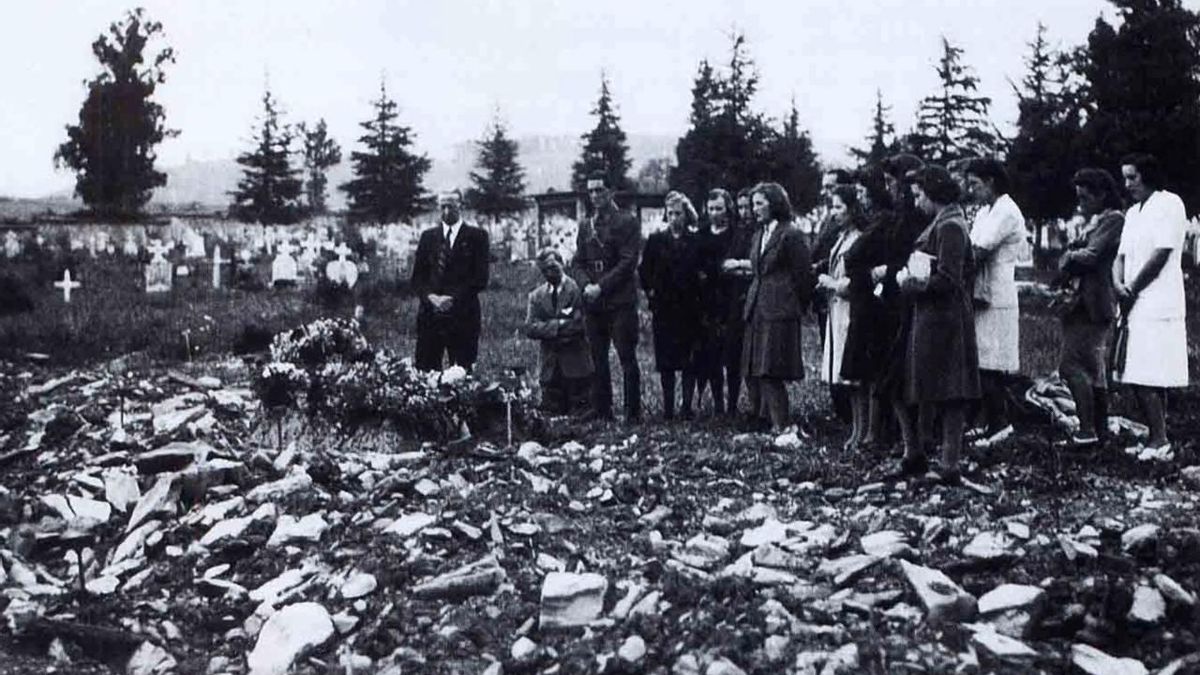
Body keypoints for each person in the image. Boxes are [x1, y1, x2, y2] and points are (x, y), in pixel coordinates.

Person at [896, 166, 980, 485]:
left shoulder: (951, 227)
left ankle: (949, 463)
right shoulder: (944, 222)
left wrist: (911, 283)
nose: (917, 203)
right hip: (933, 316)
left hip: (944, 318)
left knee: (950, 390)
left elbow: (948, 278)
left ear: (934, 194)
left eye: (919, 195)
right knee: (938, 387)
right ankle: (938, 459)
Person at [1114, 153, 1189, 455]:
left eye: (1133, 177)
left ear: (1148, 175)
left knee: (1149, 372)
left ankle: (1160, 440)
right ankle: (1156, 437)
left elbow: (1161, 254)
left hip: (1158, 300)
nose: (1128, 183)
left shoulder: (1170, 204)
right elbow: (1120, 256)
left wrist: (1132, 287)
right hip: (1132, 300)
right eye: (1125, 178)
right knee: (1135, 371)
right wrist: (1119, 285)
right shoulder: (1133, 213)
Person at [1054, 168, 1124, 447]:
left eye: (1085, 197)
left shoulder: (1114, 219)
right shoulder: (1097, 219)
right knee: (1094, 368)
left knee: (1070, 366)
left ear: (1102, 194)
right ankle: (1099, 430)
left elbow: (1091, 256)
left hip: (1093, 302)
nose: (1080, 203)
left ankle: (1087, 431)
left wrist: (1069, 254)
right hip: (1084, 302)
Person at [571, 173, 643, 423]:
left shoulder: (627, 222)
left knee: (626, 357)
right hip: (593, 302)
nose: (595, 196)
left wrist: (600, 286)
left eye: (600, 190)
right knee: (597, 357)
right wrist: (586, 285)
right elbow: (577, 261)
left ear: (611, 191)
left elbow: (627, 262)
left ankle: (633, 412)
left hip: (619, 300)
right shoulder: (585, 225)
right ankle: (602, 408)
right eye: (591, 191)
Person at [965, 158, 1027, 447]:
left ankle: (1000, 423)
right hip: (981, 293)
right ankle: (986, 420)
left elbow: (978, 250)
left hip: (998, 295)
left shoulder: (1007, 211)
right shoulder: (984, 212)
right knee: (980, 361)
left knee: (992, 363)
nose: (971, 189)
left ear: (990, 181)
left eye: (975, 183)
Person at [742, 182, 813, 432]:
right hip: (758, 307)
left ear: (775, 203)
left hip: (779, 309)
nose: (755, 209)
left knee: (771, 370)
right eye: (753, 204)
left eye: (760, 203)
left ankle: (780, 425)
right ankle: (767, 421)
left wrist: (796, 304)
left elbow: (804, 275)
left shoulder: (790, 234)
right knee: (757, 369)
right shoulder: (760, 234)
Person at [640, 192, 705, 419]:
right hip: (665, 309)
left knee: (689, 361)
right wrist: (651, 292)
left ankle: (686, 406)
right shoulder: (656, 240)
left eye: (679, 213)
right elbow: (644, 271)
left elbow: (703, 271)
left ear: (686, 215)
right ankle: (668, 408)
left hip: (690, 309)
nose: (675, 217)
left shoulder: (696, 241)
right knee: (666, 362)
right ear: (665, 215)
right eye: (671, 213)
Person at [841, 166, 894, 448]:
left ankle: (870, 432)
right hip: (863, 297)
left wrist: (863, 268)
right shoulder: (875, 220)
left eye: (863, 191)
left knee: (869, 371)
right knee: (857, 370)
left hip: (872, 303)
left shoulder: (884, 220)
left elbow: (853, 255)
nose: (860, 197)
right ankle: (859, 431)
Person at [410, 189, 490, 372]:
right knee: (425, 372)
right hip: (430, 316)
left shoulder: (477, 237)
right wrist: (431, 298)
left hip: (463, 316)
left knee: (462, 373)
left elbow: (480, 279)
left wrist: (451, 298)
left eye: (451, 207)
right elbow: (417, 279)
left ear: (461, 206)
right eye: (442, 207)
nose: (446, 212)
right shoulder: (428, 237)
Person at [817, 185, 869, 448]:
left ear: (852, 209)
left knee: (855, 374)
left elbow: (854, 280)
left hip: (851, 309)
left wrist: (830, 283)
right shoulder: (842, 236)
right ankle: (857, 430)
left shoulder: (859, 238)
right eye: (832, 207)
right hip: (838, 309)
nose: (834, 213)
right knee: (847, 375)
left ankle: (863, 431)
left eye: (839, 207)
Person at [524, 248, 593, 415]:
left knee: (579, 414)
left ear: (562, 264)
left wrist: (547, 328)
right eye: (544, 270)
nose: (549, 273)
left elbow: (581, 324)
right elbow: (530, 328)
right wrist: (560, 325)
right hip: (549, 368)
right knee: (550, 415)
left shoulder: (577, 290)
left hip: (576, 366)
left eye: (553, 267)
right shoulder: (536, 296)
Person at [708, 188, 755, 417]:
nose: (745, 212)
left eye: (748, 207)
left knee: (735, 354)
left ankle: (734, 405)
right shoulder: (734, 233)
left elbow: (751, 266)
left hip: (737, 299)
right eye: (742, 207)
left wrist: (735, 266)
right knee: (716, 353)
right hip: (717, 298)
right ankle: (720, 405)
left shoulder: (745, 233)